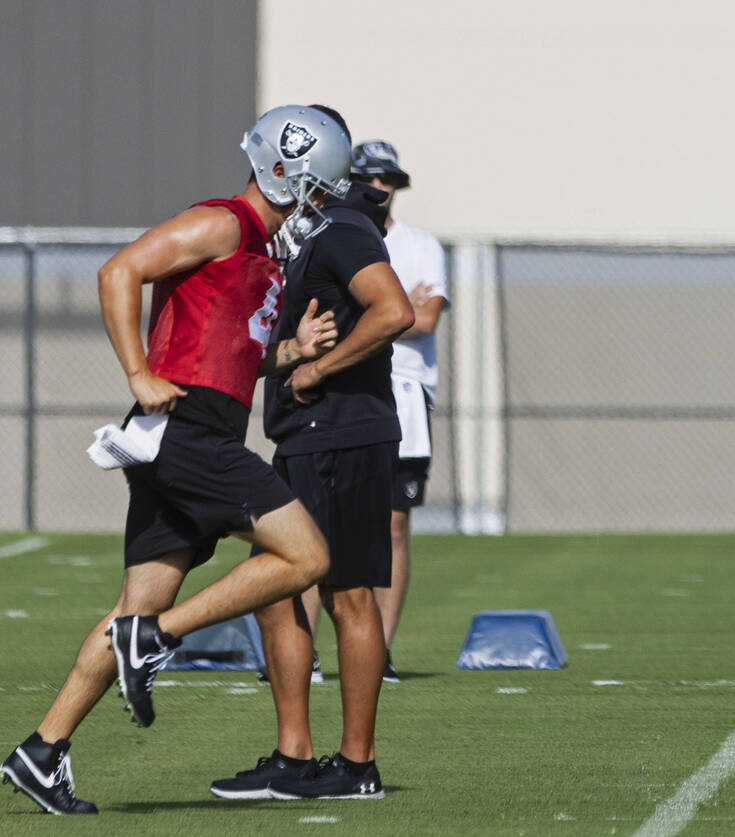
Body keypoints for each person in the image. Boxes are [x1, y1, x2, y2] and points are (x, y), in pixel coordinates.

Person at [0, 104, 352, 815]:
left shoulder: (262, 253)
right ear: (286, 172)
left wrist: (292, 353)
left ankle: (43, 751)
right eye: (318, 188)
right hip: (188, 431)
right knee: (308, 556)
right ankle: (156, 639)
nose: (320, 204)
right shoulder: (224, 223)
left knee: (136, 602)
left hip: (195, 430)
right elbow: (119, 270)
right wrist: (135, 370)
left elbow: (233, 360)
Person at [210, 121, 414, 802]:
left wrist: (318, 366)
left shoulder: (344, 227)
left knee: (345, 593)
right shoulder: (302, 242)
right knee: (277, 588)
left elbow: (394, 312)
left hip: (341, 433)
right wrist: (293, 356)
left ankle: (355, 765)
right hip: (309, 434)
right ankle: (295, 755)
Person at [298, 140, 449, 683]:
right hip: (343, 393)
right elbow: (387, 310)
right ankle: (302, 652)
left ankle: (377, 651)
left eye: (387, 179)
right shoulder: (329, 232)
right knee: (309, 525)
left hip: (405, 395)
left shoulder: (420, 245)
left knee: (393, 525)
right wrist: (390, 306)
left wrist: (380, 309)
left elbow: (419, 318)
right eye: (368, 177)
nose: (378, 188)